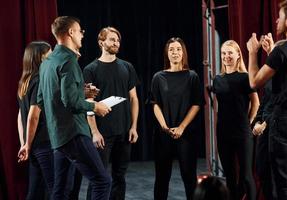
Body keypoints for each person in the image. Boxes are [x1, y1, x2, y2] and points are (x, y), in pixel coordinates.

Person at [37, 16, 112, 200]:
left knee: (61, 190)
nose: (82, 35)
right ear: (71, 32)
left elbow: (43, 98)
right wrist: (95, 106)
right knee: (103, 181)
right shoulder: (69, 61)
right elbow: (70, 102)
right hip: (74, 133)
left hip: (57, 136)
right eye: (80, 31)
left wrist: (80, 90)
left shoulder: (47, 62)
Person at [247, 0, 287, 199]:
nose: (277, 19)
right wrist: (271, 53)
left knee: (284, 183)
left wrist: (252, 53)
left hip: (285, 120)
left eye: (281, 16)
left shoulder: (282, 50)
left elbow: (255, 83)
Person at [83, 26, 139, 200]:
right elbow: (88, 103)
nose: (116, 43)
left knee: (119, 177)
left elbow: (134, 99)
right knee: (98, 178)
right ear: (101, 42)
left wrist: (134, 127)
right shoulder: (90, 69)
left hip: (124, 131)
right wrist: (94, 132)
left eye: (118, 40)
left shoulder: (127, 67)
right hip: (102, 134)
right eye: (112, 39)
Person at [150, 37, 201, 200]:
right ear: (167, 53)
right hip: (163, 134)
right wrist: (164, 126)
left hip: (186, 134)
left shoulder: (192, 76)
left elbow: (197, 104)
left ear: (183, 52)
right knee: (162, 178)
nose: (175, 52)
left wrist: (181, 127)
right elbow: (154, 103)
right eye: (171, 49)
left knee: (189, 177)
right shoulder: (158, 77)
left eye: (178, 49)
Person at [212, 40, 259, 200]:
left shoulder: (245, 77)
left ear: (238, 54)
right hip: (223, 132)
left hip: (242, 132)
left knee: (246, 176)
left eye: (230, 53)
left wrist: (249, 121)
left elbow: (256, 102)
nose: (226, 56)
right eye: (224, 53)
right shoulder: (217, 79)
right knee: (230, 177)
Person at [17, 41, 54, 200]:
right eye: (50, 54)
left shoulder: (24, 82)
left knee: (35, 191)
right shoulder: (39, 80)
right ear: (40, 57)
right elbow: (33, 115)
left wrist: (24, 143)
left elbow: (20, 116)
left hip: (33, 144)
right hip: (43, 143)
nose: (52, 57)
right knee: (54, 189)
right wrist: (27, 144)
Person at [252, 37, 286, 200]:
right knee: (261, 168)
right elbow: (264, 101)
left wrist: (264, 124)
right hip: (263, 130)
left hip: (277, 128)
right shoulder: (270, 77)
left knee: (277, 174)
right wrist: (257, 121)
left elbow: (282, 105)